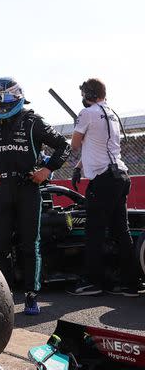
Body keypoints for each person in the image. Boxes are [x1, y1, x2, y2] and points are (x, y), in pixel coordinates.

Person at [0, 77, 70, 315]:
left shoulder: (34, 122)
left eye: (4, 98)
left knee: (29, 245)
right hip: (2, 189)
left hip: (28, 188)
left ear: (17, 97)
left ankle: (31, 296)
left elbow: (63, 145)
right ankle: (4, 295)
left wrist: (48, 169)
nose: (0, 103)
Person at [67, 79, 143, 297]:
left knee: (94, 232)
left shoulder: (86, 112)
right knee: (122, 231)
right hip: (120, 175)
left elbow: (75, 144)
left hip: (103, 179)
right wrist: (79, 167)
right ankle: (131, 283)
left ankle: (93, 281)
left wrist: (78, 159)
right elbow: (101, 146)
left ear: (89, 94)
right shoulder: (112, 113)